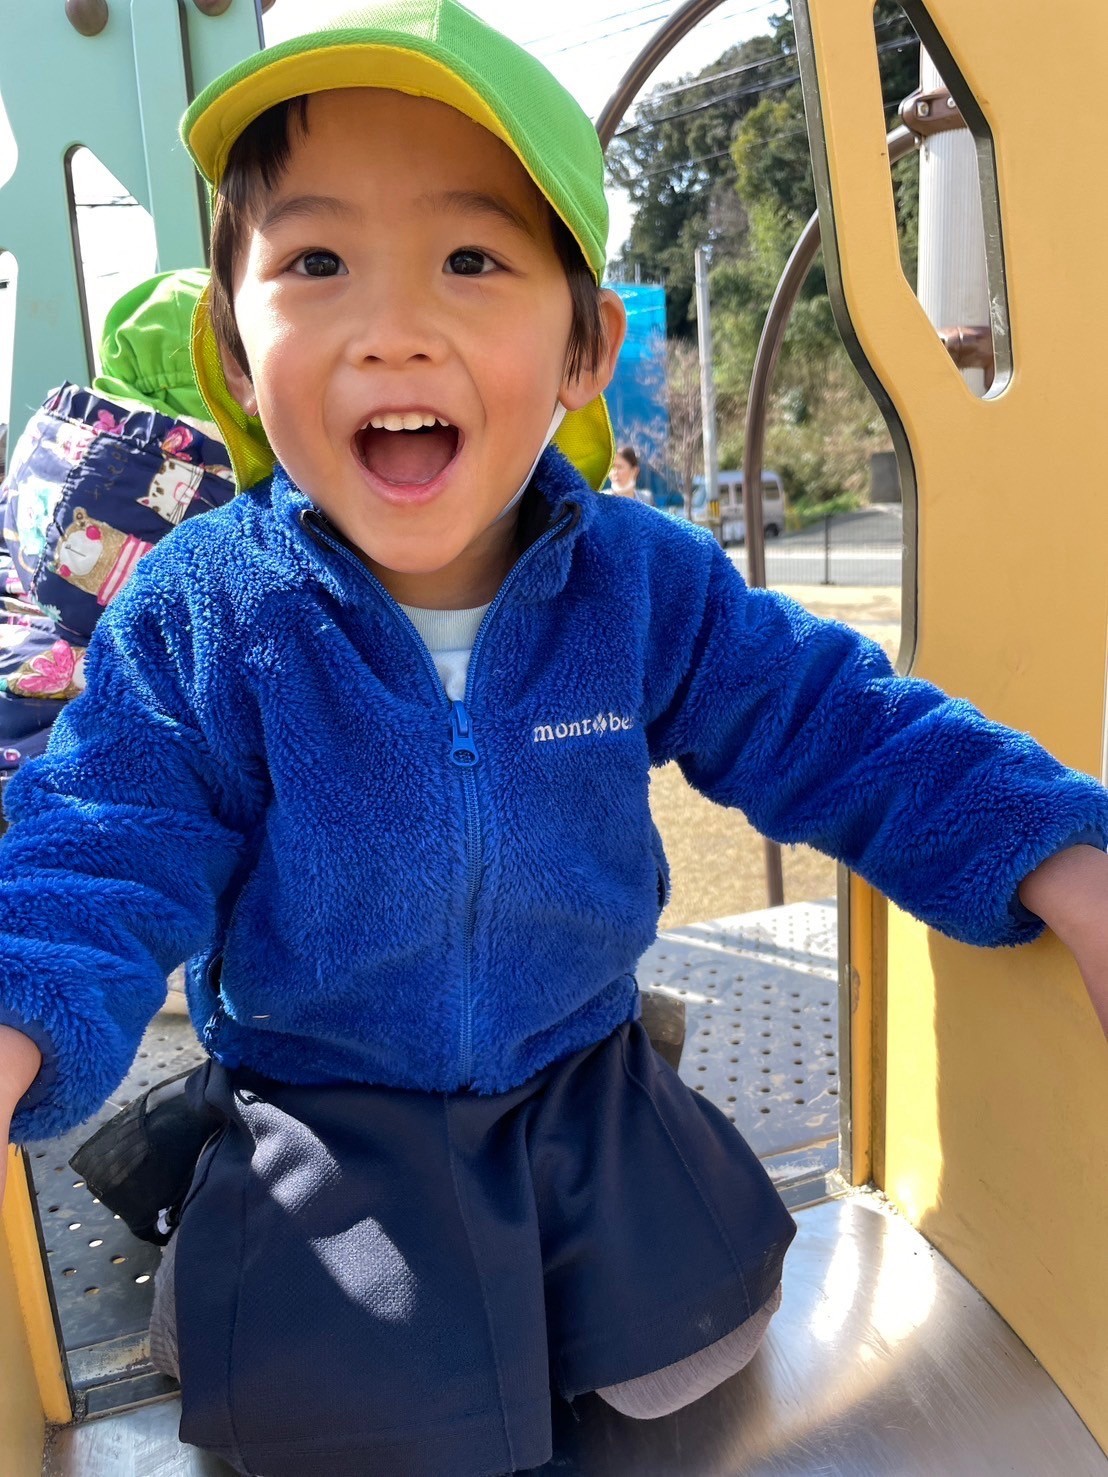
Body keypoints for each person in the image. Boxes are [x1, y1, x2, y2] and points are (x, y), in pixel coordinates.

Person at [0, 5, 1106, 1475]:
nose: (395, 326)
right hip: (331, 1113)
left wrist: (1058, 851)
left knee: (679, 1354)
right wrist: (19, 1006)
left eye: (471, 259)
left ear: (584, 347)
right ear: (237, 357)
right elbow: (105, 839)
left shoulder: (638, 584)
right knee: (352, 1403)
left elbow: (838, 723)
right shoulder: (209, 610)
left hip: (584, 1092)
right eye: (317, 263)